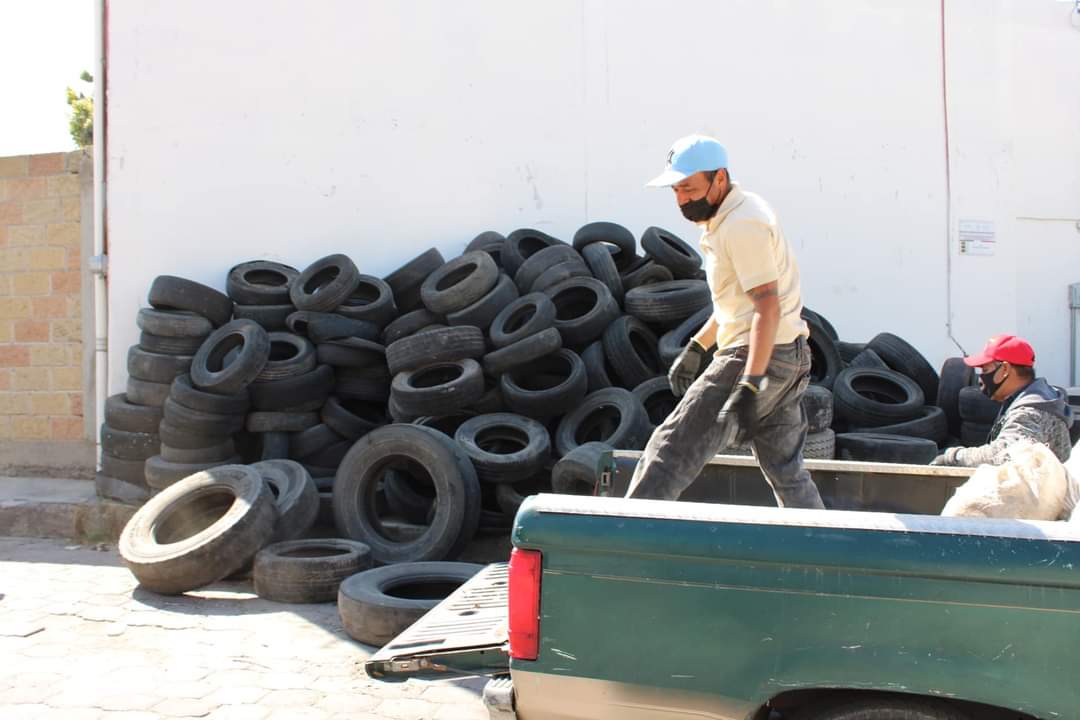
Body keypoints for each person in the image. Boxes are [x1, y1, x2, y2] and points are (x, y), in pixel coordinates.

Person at [625, 134, 824, 508]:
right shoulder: (737, 213)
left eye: (689, 188)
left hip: (757, 354)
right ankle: (824, 553)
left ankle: (619, 547)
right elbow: (739, 300)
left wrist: (750, 384)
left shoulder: (740, 225)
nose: (682, 199)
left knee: (670, 450)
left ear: (719, 179)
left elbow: (766, 307)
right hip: (789, 355)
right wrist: (698, 345)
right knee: (786, 471)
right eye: (676, 190)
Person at [931, 335, 1073, 466]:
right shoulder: (1035, 400)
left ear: (1005, 369)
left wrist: (953, 456)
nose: (980, 379)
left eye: (985, 370)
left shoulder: (1030, 412)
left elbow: (1005, 455)